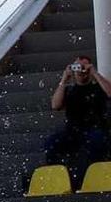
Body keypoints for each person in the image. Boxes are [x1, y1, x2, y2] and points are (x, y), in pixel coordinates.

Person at [46, 55, 111, 184]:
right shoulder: (70, 90)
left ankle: (94, 176)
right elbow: (55, 105)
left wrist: (94, 73)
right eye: (77, 67)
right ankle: (57, 177)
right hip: (73, 130)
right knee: (51, 143)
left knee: (97, 141)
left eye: (84, 67)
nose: (81, 71)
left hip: (95, 128)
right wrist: (64, 79)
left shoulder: (97, 87)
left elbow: (110, 93)